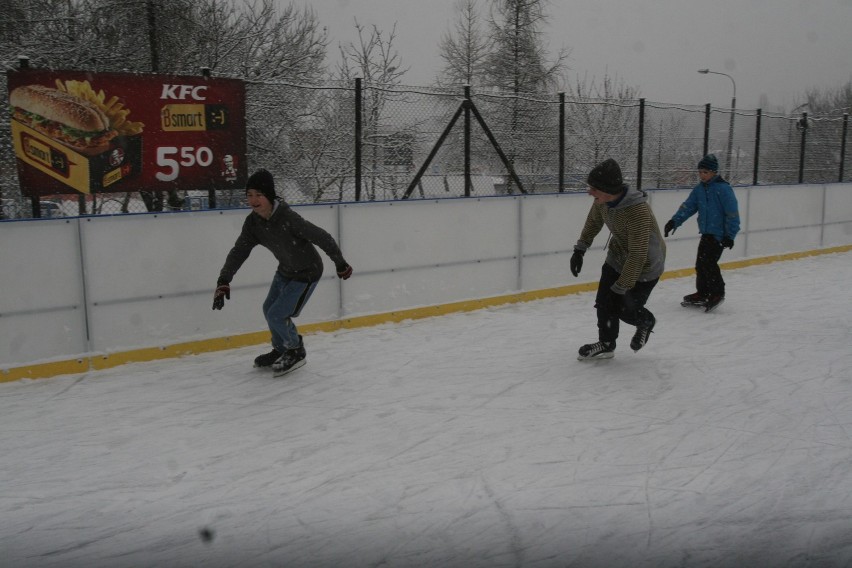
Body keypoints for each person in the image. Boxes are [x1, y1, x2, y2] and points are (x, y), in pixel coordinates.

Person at [213, 169, 353, 376]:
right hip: (285, 270)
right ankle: (281, 349)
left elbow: (322, 237)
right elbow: (239, 251)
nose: (253, 200)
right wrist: (224, 279)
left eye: (258, 195)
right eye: (249, 195)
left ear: (269, 195)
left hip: (307, 273)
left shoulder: (288, 218)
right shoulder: (253, 223)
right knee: (268, 308)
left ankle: (296, 350)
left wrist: (340, 262)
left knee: (278, 315)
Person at [570, 158, 666, 361]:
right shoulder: (602, 202)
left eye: (593, 188)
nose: (589, 192)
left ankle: (645, 321)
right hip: (618, 256)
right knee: (604, 303)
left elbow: (638, 253)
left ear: (607, 189)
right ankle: (606, 344)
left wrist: (621, 286)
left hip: (646, 265)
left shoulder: (637, 211)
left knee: (625, 309)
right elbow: (593, 222)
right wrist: (580, 249)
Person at [663, 153, 740, 312]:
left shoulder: (723, 189)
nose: (702, 175)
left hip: (719, 234)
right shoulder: (699, 190)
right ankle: (703, 292)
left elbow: (732, 214)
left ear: (714, 172)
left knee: (709, 264)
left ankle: (717, 293)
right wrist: (674, 221)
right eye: (700, 172)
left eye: (705, 172)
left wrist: (729, 236)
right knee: (700, 264)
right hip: (706, 233)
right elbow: (688, 207)